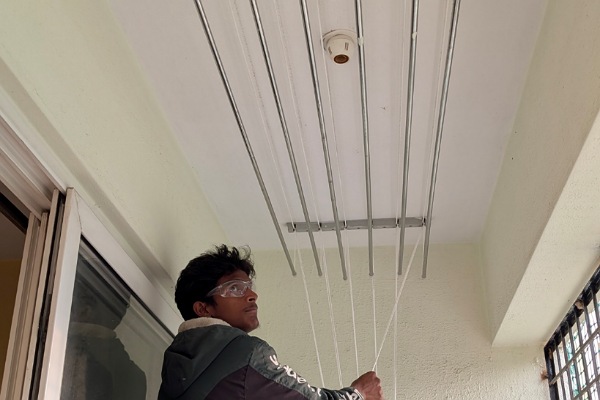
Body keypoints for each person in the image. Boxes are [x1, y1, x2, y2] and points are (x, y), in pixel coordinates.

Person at [158, 244, 383, 400]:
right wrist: (359, 393)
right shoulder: (246, 353)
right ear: (203, 308)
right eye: (235, 288)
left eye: (249, 287)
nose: (252, 295)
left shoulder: (174, 364)